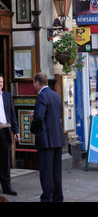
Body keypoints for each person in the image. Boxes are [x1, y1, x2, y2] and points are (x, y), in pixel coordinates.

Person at [30, 72, 65, 202]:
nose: (34, 85)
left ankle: (46, 197)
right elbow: (57, 114)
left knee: (46, 171)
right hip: (57, 138)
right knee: (56, 171)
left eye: (34, 83)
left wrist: (33, 129)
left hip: (46, 139)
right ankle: (57, 197)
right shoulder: (56, 95)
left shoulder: (41, 96)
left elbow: (39, 117)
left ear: (37, 83)